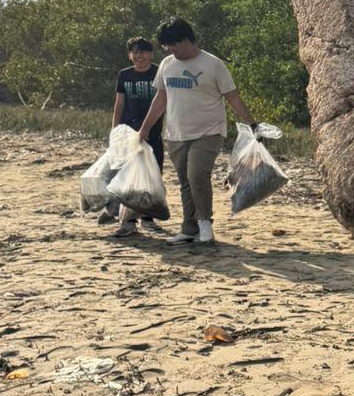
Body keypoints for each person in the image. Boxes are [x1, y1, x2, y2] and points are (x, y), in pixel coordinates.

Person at [137, 18, 255, 245]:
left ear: (187, 39)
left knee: (197, 175)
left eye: (174, 44)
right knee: (184, 182)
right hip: (176, 133)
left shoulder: (213, 64)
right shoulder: (167, 65)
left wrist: (251, 124)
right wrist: (144, 129)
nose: (171, 50)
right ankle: (188, 228)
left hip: (208, 131)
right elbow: (160, 99)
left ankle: (204, 223)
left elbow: (233, 96)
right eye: (166, 46)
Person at [109, 36, 166, 237]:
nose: (139, 55)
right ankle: (128, 221)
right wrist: (115, 130)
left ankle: (148, 218)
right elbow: (119, 103)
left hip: (153, 133)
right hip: (128, 133)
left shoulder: (159, 72)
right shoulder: (124, 75)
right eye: (135, 51)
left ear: (151, 54)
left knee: (152, 176)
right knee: (129, 178)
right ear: (129, 55)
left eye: (143, 51)